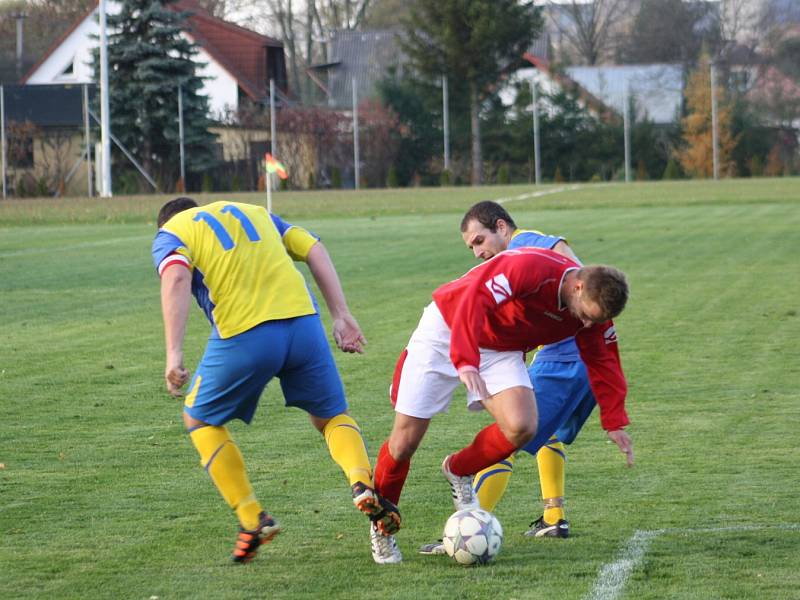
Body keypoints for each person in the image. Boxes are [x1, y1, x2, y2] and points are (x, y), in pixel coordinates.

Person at [152, 197, 400, 564]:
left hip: (245, 333)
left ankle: (252, 518)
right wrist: (342, 315)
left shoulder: (172, 232)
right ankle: (361, 481)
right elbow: (313, 246)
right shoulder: (253, 212)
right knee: (330, 416)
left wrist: (173, 354)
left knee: (199, 418)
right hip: (304, 322)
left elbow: (175, 275)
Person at [371, 243, 632, 564]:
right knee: (404, 441)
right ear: (577, 286)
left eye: (595, 320)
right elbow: (473, 302)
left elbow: (603, 359)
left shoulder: (594, 310)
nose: (588, 325)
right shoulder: (530, 268)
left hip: (500, 347)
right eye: (585, 315)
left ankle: (459, 470)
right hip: (449, 326)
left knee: (522, 425)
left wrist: (614, 420)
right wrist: (465, 360)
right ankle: (382, 529)